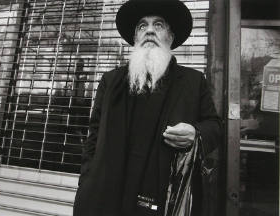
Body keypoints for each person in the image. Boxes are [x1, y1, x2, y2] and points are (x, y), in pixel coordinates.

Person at [73, 0, 222, 215]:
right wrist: (86, 180)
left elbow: (215, 126)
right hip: (106, 195)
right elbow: (93, 137)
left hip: (161, 194)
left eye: (158, 25)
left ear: (170, 38)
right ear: (135, 38)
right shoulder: (110, 81)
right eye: (142, 26)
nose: (149, 30)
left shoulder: (193, 81)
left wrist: (196, 134)